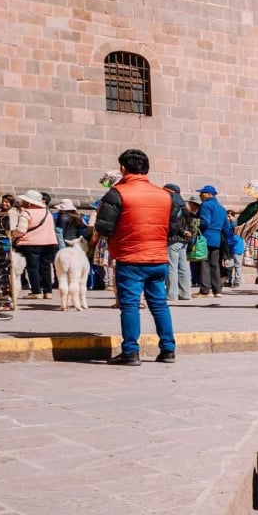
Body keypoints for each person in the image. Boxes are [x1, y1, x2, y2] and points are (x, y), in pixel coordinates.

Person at [95, 149, 183, 365]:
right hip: (158, 258)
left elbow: (103, 228)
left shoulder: (117, 193)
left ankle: (131, 352)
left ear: (123, 168)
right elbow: (175, 228)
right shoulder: (165, 195)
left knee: (130, 306)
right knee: (159, 304)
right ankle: (168, 350)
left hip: (130, 258)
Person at [11, 190, 57, 299]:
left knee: (33, 267)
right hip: (49, 242)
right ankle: (48, 291)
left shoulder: (26, 212)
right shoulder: (47, 212)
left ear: (30, 202)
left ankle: (36, 291)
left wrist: (12, 233)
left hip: (31, 243)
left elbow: (21, 230)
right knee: (45, 267)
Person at [195, 185, 231, 297]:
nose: (200, 196)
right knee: (214, 264)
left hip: (206, 237)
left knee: (204, 263)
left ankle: (205, 290)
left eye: (202, 193)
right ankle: (217, 290)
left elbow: (205, 222)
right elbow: (227, 227)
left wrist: (195, 223)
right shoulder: (221, 208)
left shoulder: (205, 205)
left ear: (208, 194)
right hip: (217, 239)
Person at [162, 184, 193, 300]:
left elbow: (174, 224)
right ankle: (185, 293)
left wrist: (176, 232)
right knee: (184, 267)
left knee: (172, 267)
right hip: (183, 241)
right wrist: (186, 232)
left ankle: (171, 294)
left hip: (173, 239)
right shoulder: (184, 206)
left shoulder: (172, 205)